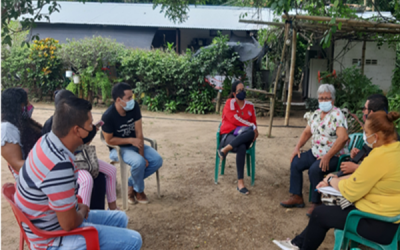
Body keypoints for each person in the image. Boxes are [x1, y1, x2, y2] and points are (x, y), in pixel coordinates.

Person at [15, 96, 142, 250]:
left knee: (120, 218)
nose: (92, 128)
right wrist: (81, 211)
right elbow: (68, 224)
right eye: (89, 125)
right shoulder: (58, 165)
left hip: (50, 220)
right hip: (52, 239)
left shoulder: (47, 141)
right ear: (77, 130)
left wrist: (77, 208)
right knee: (134, 240)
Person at [273, 111, 400, 250]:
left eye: (366, 133)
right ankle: (297, 244)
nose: (365, 138)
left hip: (376, 223)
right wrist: (334, 180)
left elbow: (351, 191)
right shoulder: (395, 150)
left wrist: (332, 179)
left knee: (319, 214)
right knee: (326, 211)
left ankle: (299, 246)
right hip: (391, 219)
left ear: (375, 136)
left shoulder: (378, 157)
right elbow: (363, 177)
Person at [42, 90, 118, 210]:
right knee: (86, 180)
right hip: (68, 160)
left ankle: (113, 209)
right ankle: (85, 215)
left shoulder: (76, 119)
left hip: (81, 157)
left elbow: (82, 144)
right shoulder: (51, 124)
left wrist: (90, 132)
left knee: (111, 170)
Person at [280, 84, 349, 216]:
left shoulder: (337, 115)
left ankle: (316, 203)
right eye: (321, 98)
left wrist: (327, 156)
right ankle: (296, 196)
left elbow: (343, 138)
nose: (323, 101)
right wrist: (297, 148)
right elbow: (307, 132)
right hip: (316, 151)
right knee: (296, 162)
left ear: (332, 100)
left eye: (326, 98)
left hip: (334, 155)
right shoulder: (316, 114)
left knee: (315, 169)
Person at [102, 82, 163, 204]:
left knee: (157, 160)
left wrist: (142, 155)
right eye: (129, 98)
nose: (132, 100)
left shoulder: (134, 107)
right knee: (138, 163)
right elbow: (109, 140)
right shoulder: (108, 116)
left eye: (132, 97)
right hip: (118, 149)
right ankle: (139, 192)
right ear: (119, 100)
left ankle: (131, 184)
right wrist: (130, 140)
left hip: (136, 145)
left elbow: (139, 133)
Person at [340, 94, 400, 175]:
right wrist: (362, 156)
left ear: (371, 112)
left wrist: (356, 167)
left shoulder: (389, 140)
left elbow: (383, 169)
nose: (362, 112)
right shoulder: (386, 134)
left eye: (364, 108)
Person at [218, 80, 258, 195]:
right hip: (229, 135)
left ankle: (225, 150)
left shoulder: (250, 106)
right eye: (239, 90)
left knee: (250, 133)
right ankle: (240, 184)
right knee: (241, 146)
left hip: (244, 135)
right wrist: (251, 125)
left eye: (243, 90)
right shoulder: (230, 103)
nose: (242, 92)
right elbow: (234, 119)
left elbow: (254, 124)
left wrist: (253, 128)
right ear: (234, 93)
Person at [0, 88, 42, 179]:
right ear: (19, 106)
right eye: (26, 102)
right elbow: (17, 164)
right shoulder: (6, 128)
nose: (29, 106)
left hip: (35, 170)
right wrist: (48, 163)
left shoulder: (20, 121)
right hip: (30, 177)